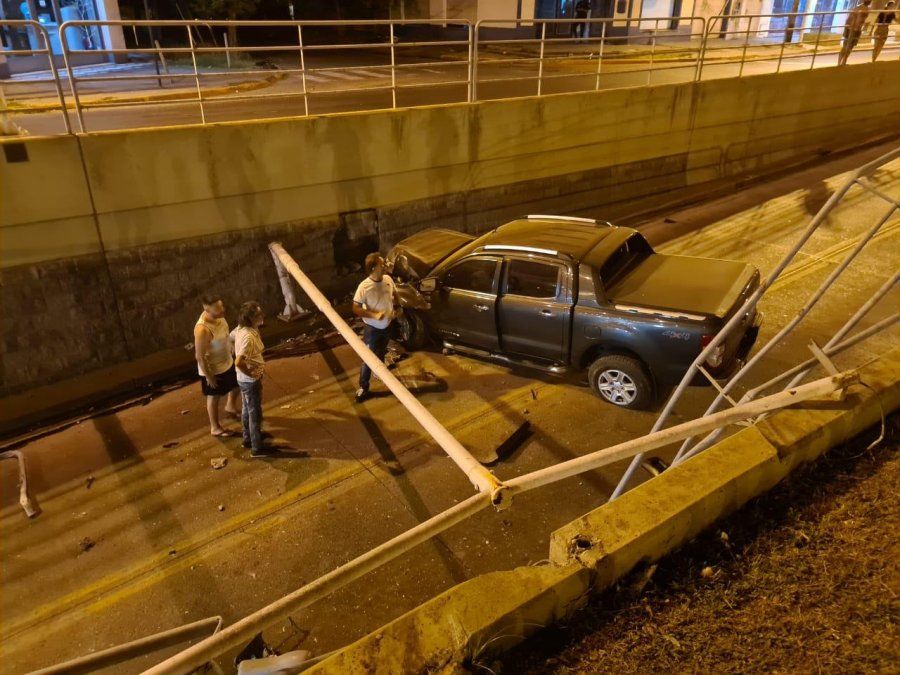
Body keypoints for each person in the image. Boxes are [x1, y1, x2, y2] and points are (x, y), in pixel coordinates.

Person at [352, 252, 400, 403]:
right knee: (368, 358)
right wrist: (373, 315)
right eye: (382, 263)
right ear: (373, 268)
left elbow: (395, 295)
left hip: (387, 326)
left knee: (381, 350)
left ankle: (378, 372)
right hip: (372, 329)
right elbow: (355, 308)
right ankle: (363, 387)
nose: (385, 265)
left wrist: (397, 308)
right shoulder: (364, 287)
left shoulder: (387, 279)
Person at [194, 296, 240, 437]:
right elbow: (199, 356)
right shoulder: (202, 329)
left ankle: (230, 406)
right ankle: (215, 427)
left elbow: (223, 336)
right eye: (218, 309)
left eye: (222, 306)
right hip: (212, 368)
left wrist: (230, 345)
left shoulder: (220, 317)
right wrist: (209, 376)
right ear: (206, 309)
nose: (222, 310)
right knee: (214, 396)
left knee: (237, 384)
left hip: (226, 361)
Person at [234, 301, 274, 457]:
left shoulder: (241, 329)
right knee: (254, 413)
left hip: (243, 379)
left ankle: (248, 438)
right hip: (250, 381)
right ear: (250, 318)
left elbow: (231, 339)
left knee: (246, 408)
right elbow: (238, 361)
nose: (262, 316)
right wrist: (251, 373)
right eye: (258, 315)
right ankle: (257, 448)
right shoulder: (248, 338)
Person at [838, 0, 872, 65]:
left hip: (855, 29)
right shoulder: (861, 8)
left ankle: (842, 62)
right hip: (853, 29)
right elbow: (854, 19)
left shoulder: (863, 8)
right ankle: (841, 62)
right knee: (847, 46)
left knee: (849, 46)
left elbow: (856, 19)